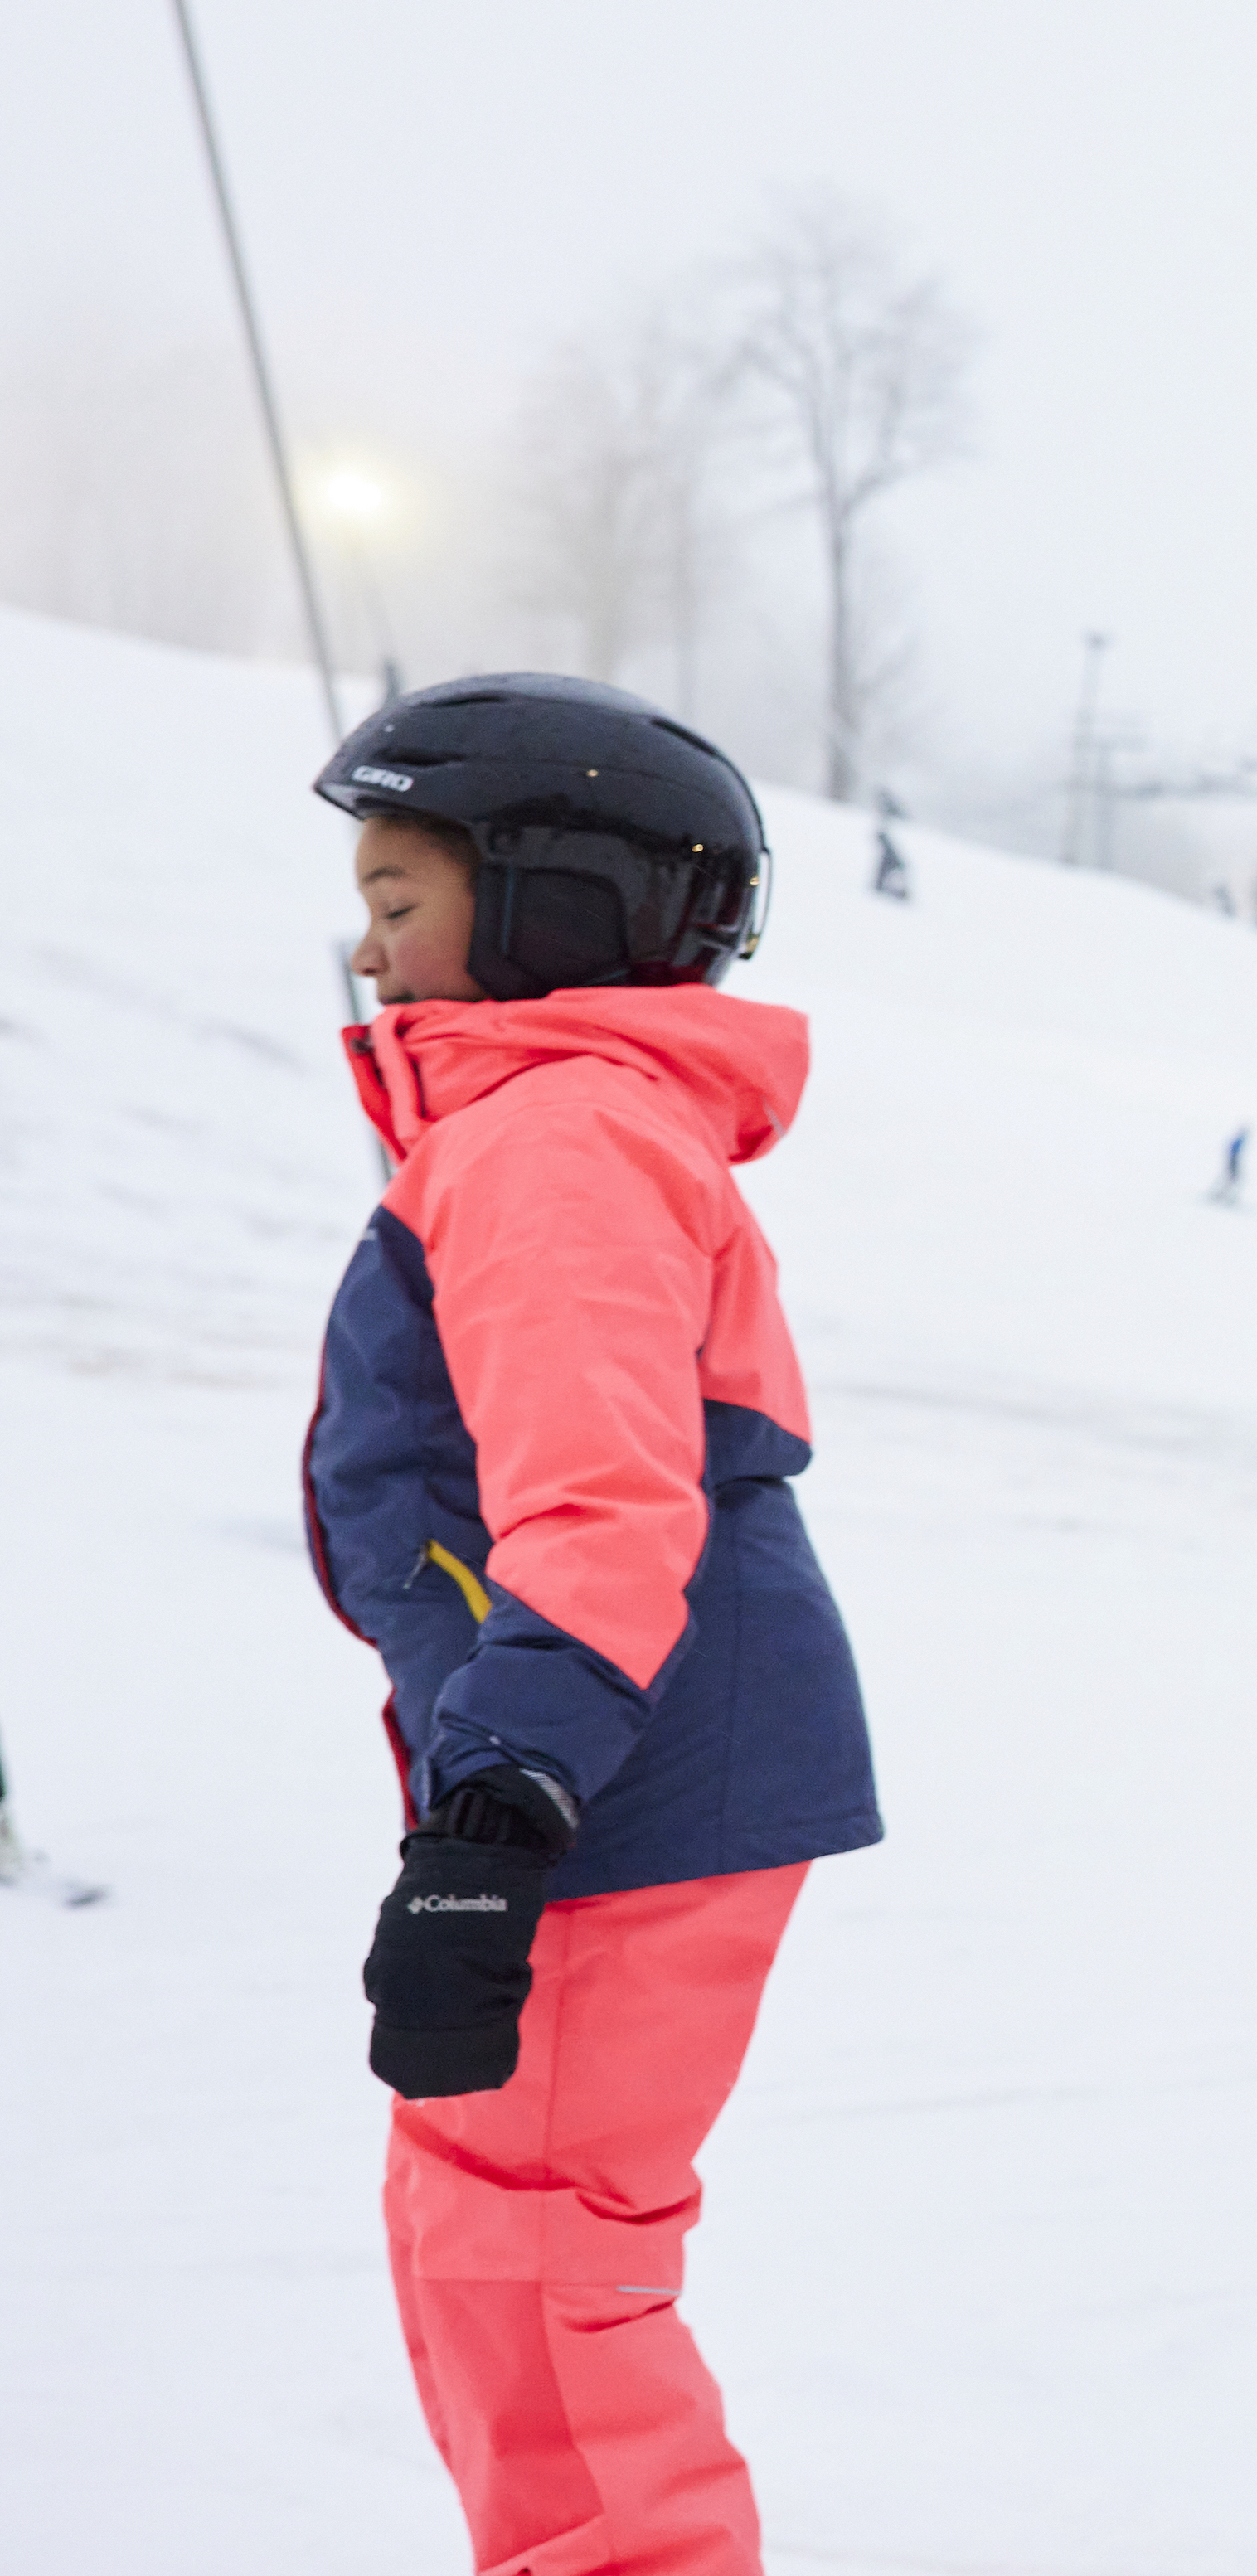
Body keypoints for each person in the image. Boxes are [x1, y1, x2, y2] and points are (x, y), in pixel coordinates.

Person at [308, 673, 881, 2576]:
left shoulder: (555, 1136)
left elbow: (604, 1493)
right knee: (504, 2237)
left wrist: (499, 1810)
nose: (367, 953)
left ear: (553, 900)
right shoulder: (556, 1124)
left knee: (539, 2257)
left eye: (403, 903)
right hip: (631, 1752)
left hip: (619, 1764)